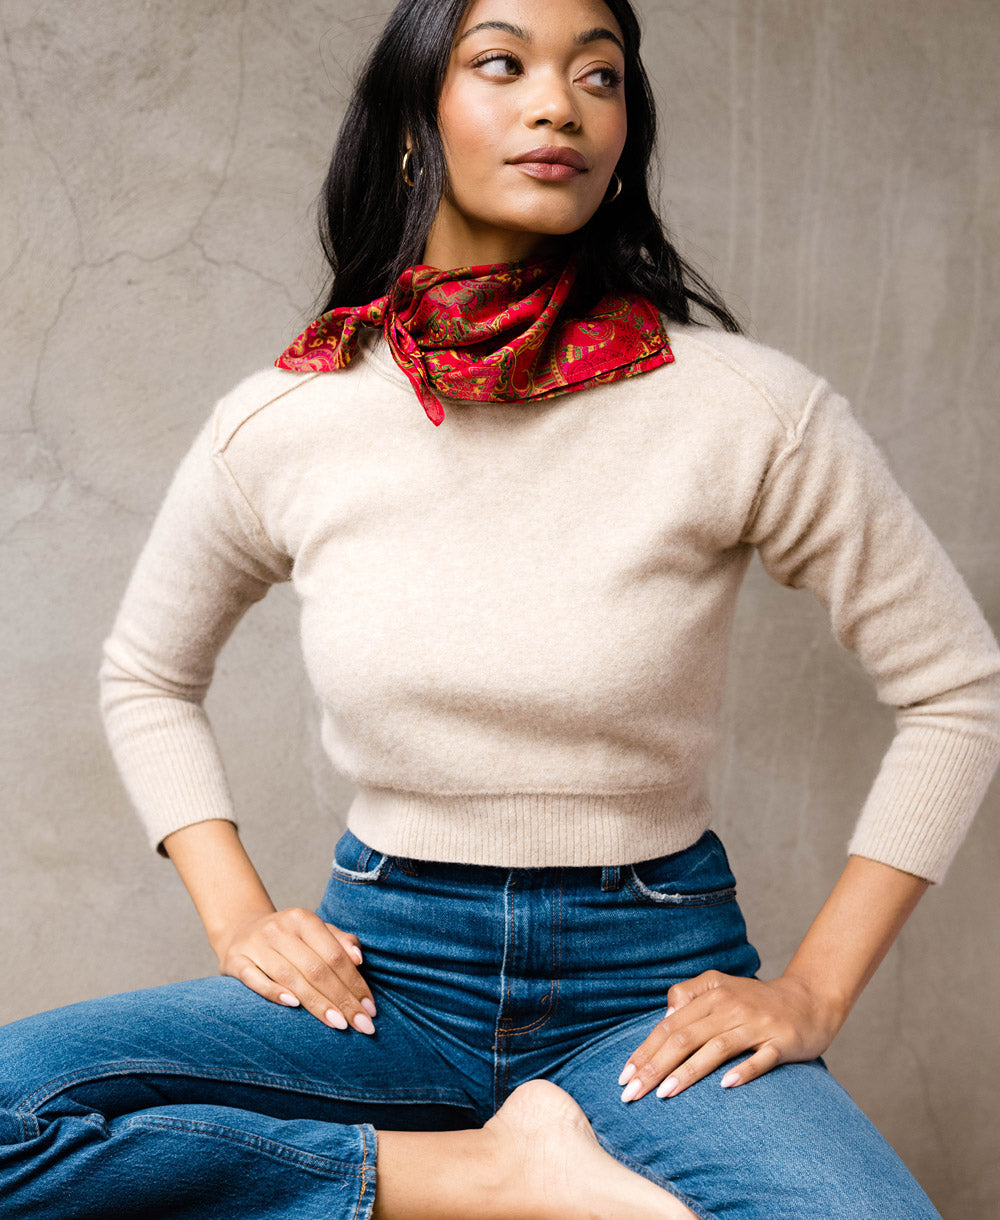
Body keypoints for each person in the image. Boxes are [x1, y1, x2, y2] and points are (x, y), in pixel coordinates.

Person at [2, 0, 998, 1216]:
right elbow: (146, 672)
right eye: (503, 64)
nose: (558, 104)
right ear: (416, 118)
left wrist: (812, 992)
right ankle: (476, 1176)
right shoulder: (291, 418)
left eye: (601, 75)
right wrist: (238, 914)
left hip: (650, 986)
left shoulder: (745, 411)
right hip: (385, 979)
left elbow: (957, 688)